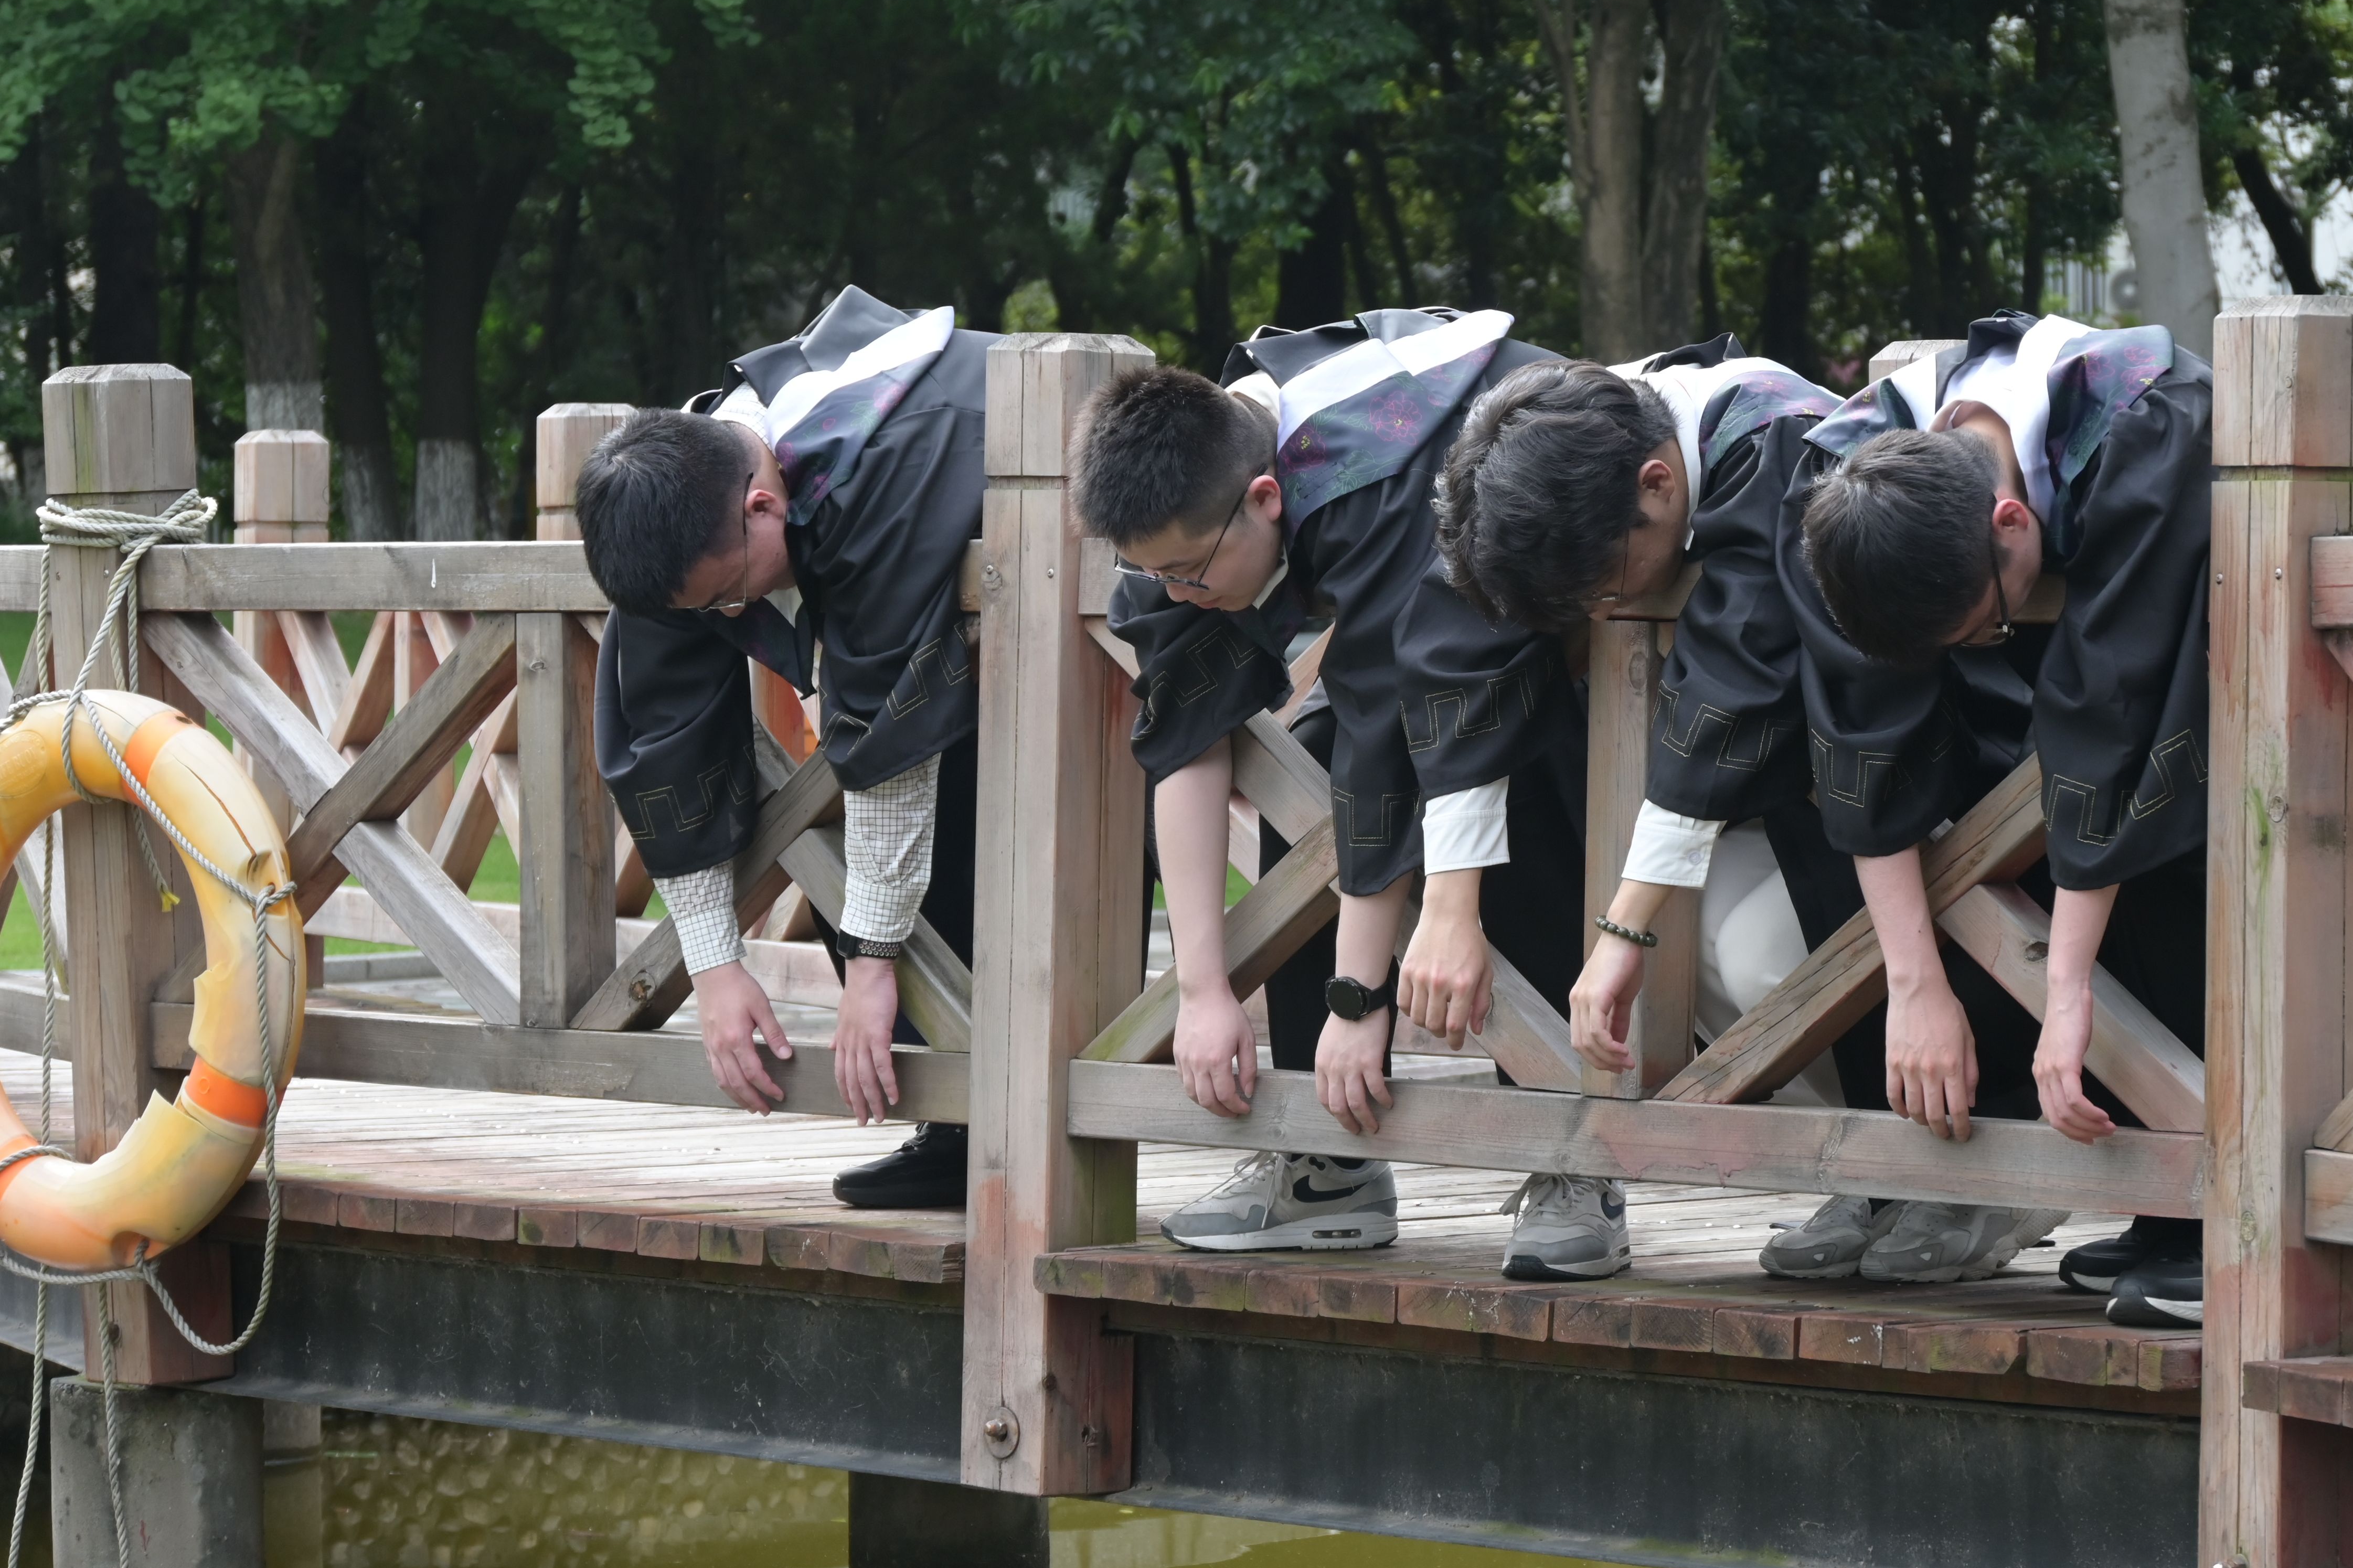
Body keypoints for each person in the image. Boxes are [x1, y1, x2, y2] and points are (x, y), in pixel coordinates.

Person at [1796, 312, 2353, 1328]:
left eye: (1989, 622)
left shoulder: (2152, 421)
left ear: (2010, 522)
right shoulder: (1864, 467)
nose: (1992, 637)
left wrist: (2062, 990)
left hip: (2276, 739)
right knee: (2099, 869)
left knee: (2203, 898)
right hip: (2107, 754)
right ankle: (2169, 1204)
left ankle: (2245, 1236)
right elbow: (1866, 722)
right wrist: (1919, 979)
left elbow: (2112, 711)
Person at [1435, 338, 2060, 1286]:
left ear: (1657, 484)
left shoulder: (1788, 446)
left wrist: (1623, 928)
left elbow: (1730, 691)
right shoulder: (1563, 461)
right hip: (1772, 822)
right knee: (1715, 953)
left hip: (1952, 800)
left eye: (1607, 583)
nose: (1607, 607)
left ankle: (1980, 1162)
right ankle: (1879, 1159)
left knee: (1760, 952)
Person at [1071, 307, 1629, 1280]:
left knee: (1505, 778)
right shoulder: (1184, 502)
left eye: (1189, 575)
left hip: (1554, 605)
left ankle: (1571, 1157)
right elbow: (1183, 743)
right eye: (1155, 577)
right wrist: (1203, 990)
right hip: (1419, 615)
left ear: (1265, 500)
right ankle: (1325, 1165)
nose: (1178, 594)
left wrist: (1360, 999)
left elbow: (1393, 742)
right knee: (1308, 772)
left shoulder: (1372, 483)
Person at [576, 286, 994, 1211]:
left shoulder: (875, 464)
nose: (732, 614)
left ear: (766, 505)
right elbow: (665, 740)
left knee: (950, 826)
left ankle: (1003, 1124)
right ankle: (955, 1126)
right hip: (934, 649)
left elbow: (886, 735)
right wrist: (714, 966)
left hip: (1067, 651)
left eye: (732, 594)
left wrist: (872, 963)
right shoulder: (676, 505)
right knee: (841, 826)